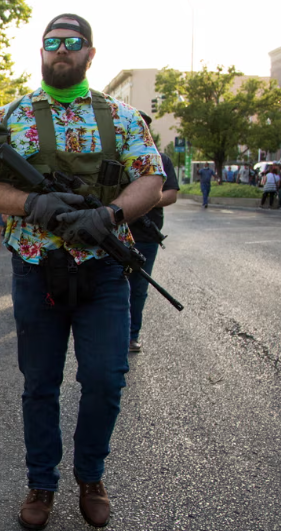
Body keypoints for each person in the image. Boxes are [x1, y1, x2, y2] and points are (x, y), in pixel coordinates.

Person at [0, 14, 165, 530]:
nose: (60, 51)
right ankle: (42, 483)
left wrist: (109, 215)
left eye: (71, 44)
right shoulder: (10, 118)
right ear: (40, 51)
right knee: (40, 383)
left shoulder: (122, 118)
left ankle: (91, 475)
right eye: (51, 42)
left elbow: (152, 178)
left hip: (102, 270)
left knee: (105, 378)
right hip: (36, 269)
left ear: (90, 55)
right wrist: (32, 203)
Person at [128, 113, 179, 353]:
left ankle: (131, 336)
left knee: (138, 288)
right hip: (113, 234)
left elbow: (171, 194)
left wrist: (144, 200)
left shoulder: (161, 160)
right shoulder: (117, 157)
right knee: (109, 286)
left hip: (146, 236)